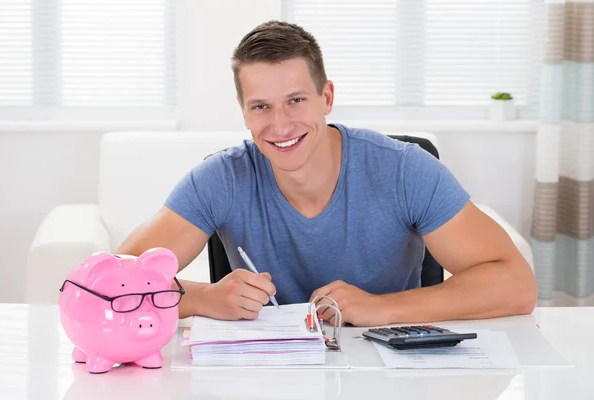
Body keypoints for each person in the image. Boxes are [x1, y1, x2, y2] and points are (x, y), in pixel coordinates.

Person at [117, 20, 537, 327]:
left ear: (327, 96)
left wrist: (380, 308)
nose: (279, 125)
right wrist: (203, 297)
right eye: (260, 106)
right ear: (243, 112)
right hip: (266, 374)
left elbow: (516, 285)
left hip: (392, 370)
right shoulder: (219, 179)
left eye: (296, 100)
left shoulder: (405, 169)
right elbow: (111, 281)